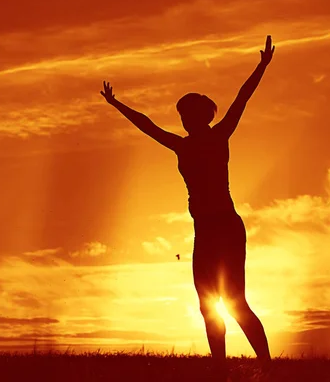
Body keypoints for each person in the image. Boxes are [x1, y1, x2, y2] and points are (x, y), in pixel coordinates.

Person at [100, 35, 275, 379]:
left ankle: (267, 366)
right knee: (207, 303)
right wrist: (116, 104)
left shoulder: (219, 135)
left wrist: (262, 66)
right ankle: (220, 369)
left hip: (226, 226)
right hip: (204, 231)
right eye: (181, 114)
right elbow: (147, 125)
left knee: (236, 301)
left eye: (187, 113)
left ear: (202, 115)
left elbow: (242, 98)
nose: (183, 119)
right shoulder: (181, 146)